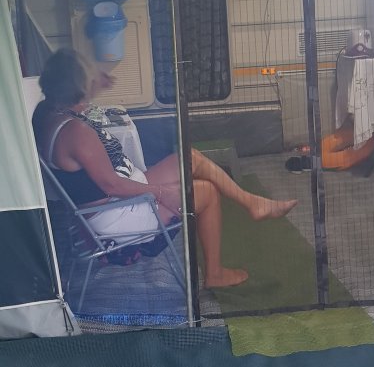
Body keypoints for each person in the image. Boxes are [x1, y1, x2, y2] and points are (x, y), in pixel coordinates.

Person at [32, 50, 297, 289]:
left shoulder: (46, 113)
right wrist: (161, 192)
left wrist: (92, 86)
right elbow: (112, 185)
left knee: (189, 158)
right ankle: (215, 274)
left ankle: (252, 202)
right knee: (205, 192)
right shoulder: (77, 133)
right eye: (88, 78)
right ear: (77, 87)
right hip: (115, 215)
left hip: (113, 199)